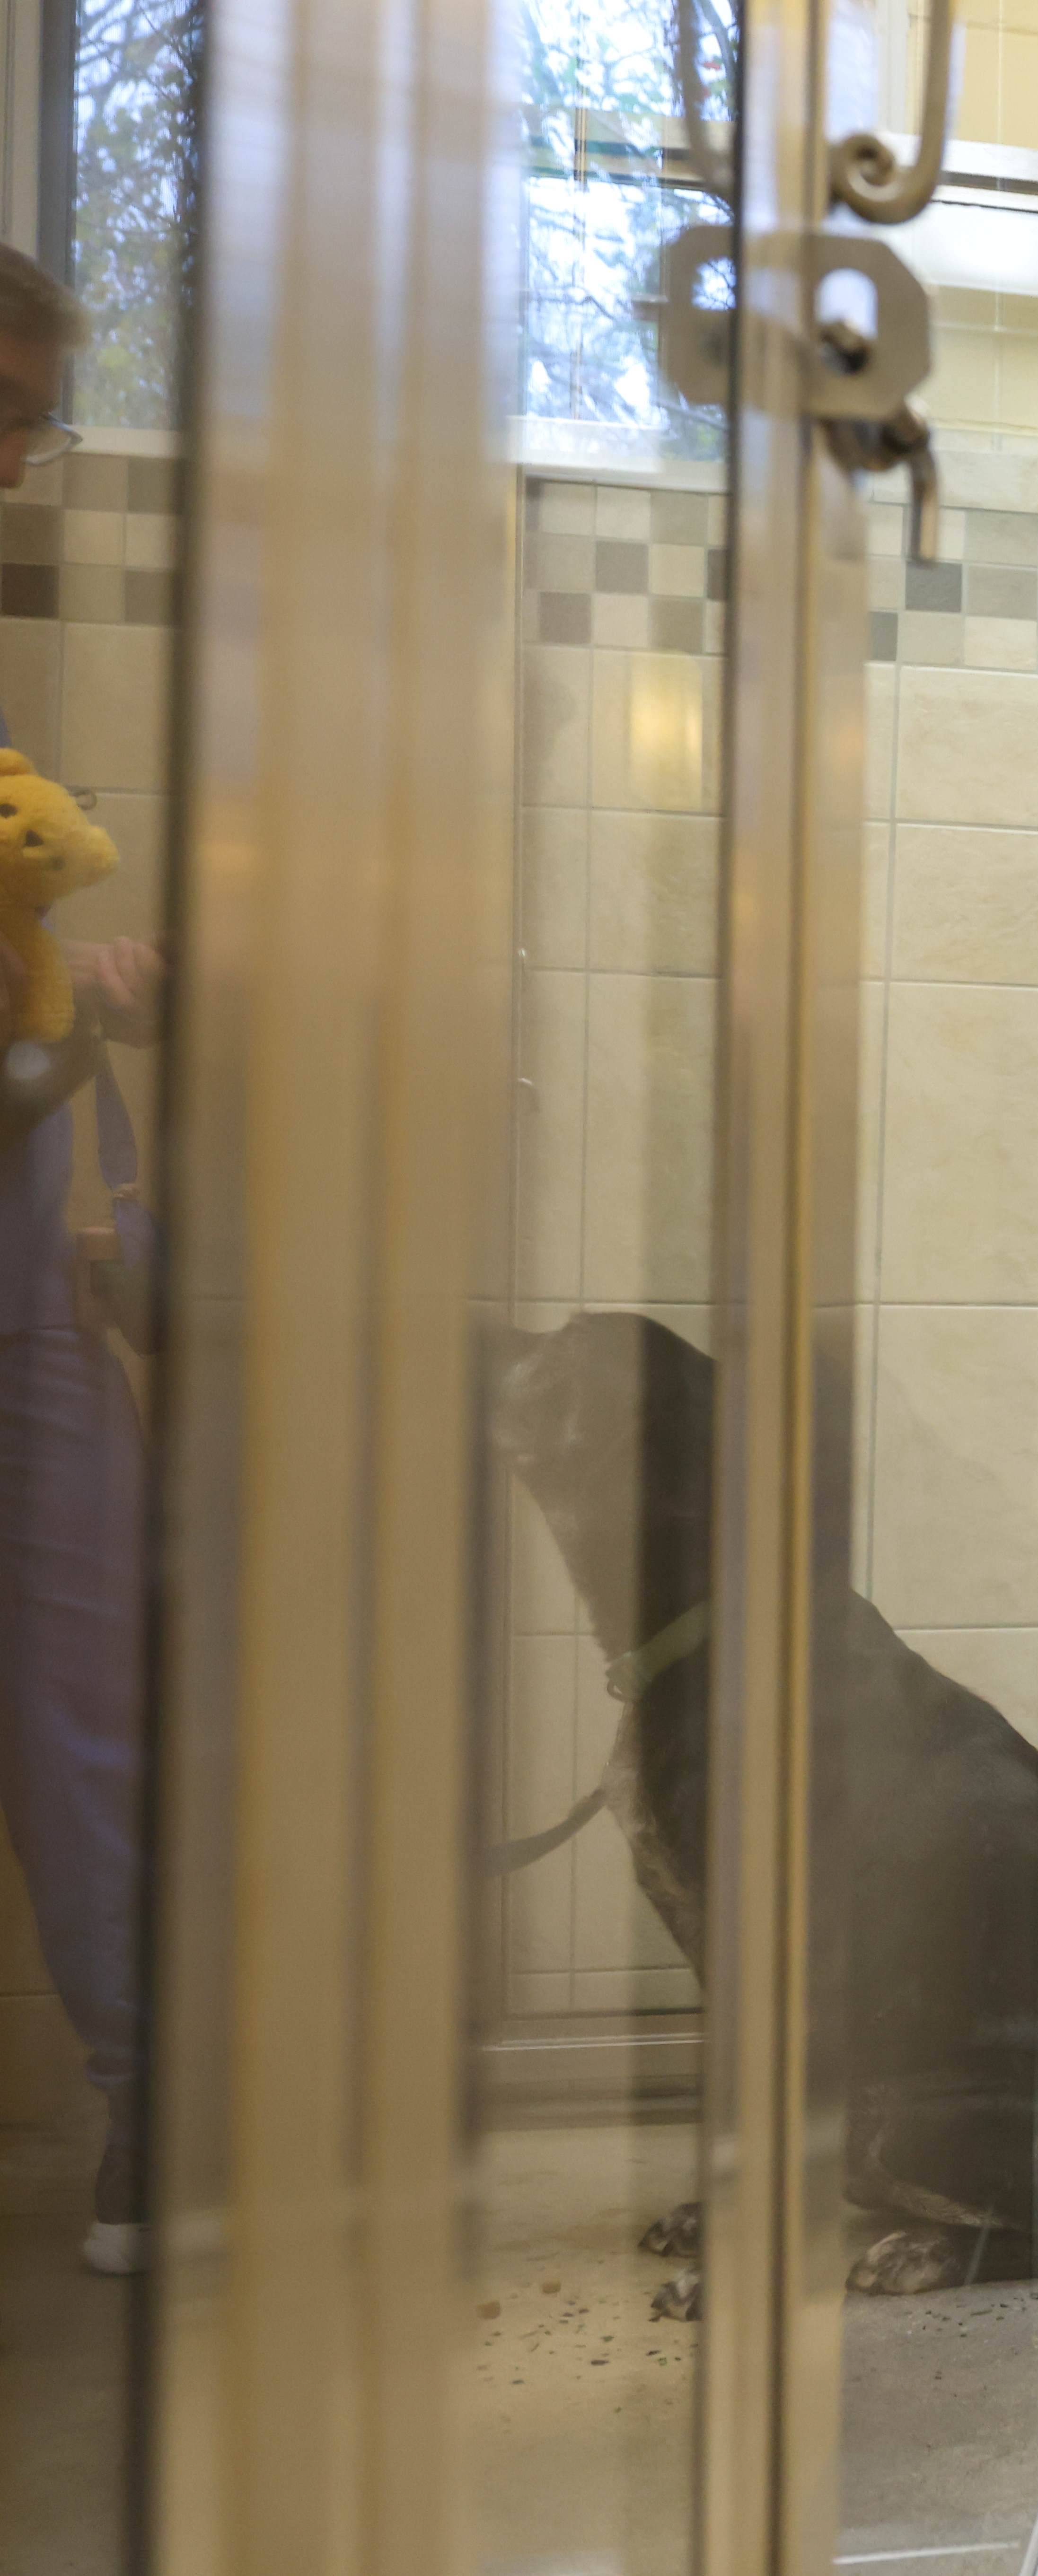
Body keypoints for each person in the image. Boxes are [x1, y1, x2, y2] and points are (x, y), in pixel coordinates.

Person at [0, 239, 164, 2278]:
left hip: (25, 1238)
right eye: (9, 412)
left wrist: (68, 1014)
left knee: (94, 1673)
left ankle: (151, 2101)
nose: (26, 467)